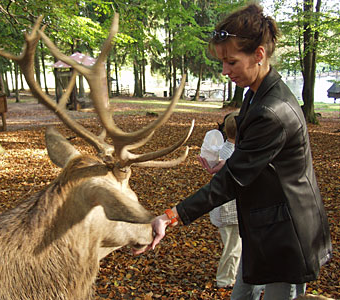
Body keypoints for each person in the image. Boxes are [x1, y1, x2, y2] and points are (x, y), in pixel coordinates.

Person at [142, 4, 332, 300]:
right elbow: (254, 156)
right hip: (262, 227)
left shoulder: (272, 109)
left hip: (286, 234)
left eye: (231, 62)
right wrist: (234, 162)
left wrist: (171, 216)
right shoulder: (257, 93)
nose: (225, 71)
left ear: (258, 55)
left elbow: (231, 181)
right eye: (222, 62)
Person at [207, 112, 241, 288]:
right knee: (233, 247)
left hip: (226, 207)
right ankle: (226, 280)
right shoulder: (234, 154)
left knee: (233, 245)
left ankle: (234, 275)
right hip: (230, 209)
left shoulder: (222, 149)